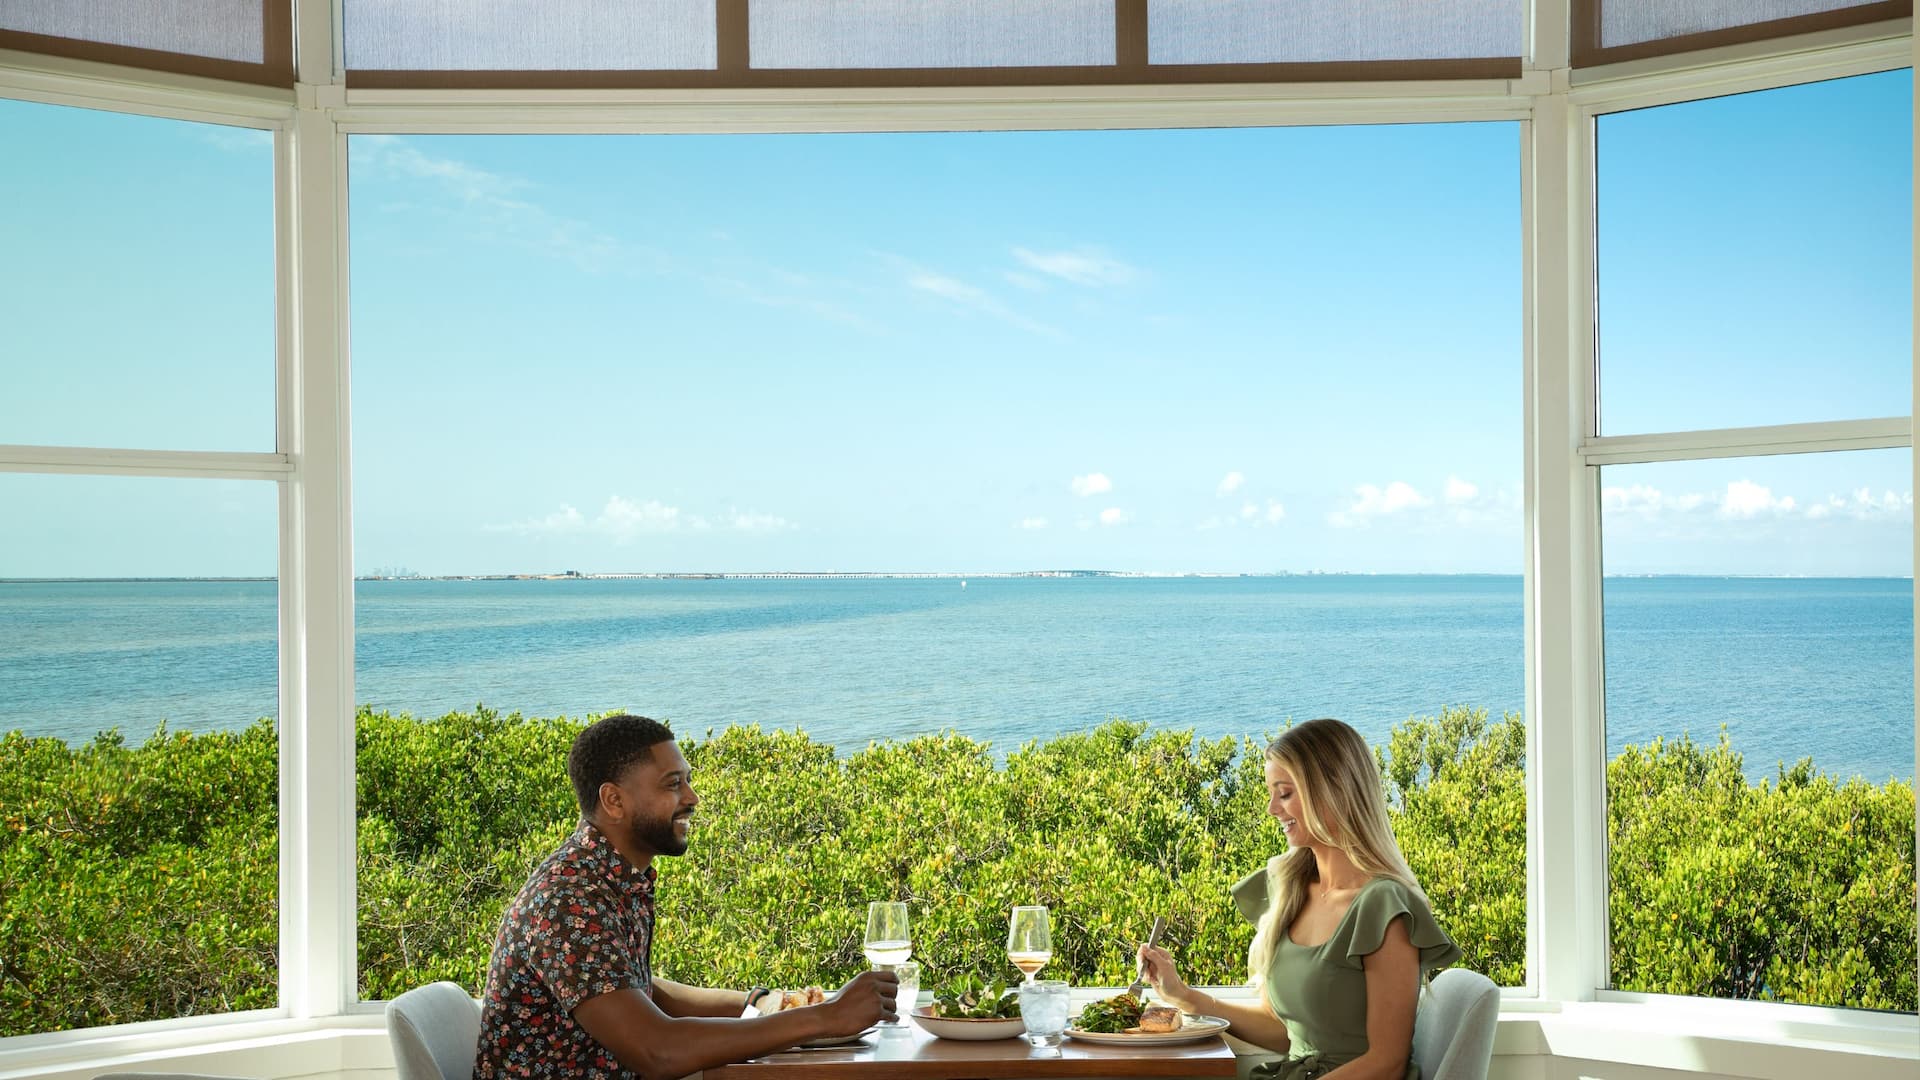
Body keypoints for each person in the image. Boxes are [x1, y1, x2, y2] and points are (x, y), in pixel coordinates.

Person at [473, 713, 896, 1080]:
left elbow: (637, 990)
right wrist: (824, 1018)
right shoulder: (568, 900)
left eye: (687, 781)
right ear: (614, 800)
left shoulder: (610, 878)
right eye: (673, 784)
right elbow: (658, 1051)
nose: (692, 798)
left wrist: (766, 1002)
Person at [1136, 718, 1460, 1080]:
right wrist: (1183, 995)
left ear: (1334, 791)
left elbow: (1387, 1062)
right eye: (1272, 794)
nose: (1272, 809)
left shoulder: (1383, 907)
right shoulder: (1290, 891)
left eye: (1285, 793)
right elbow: (1284, 1032)